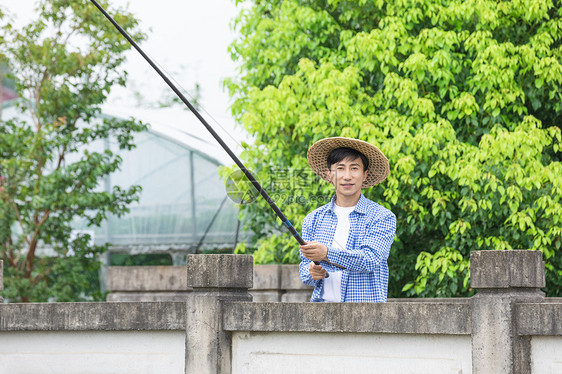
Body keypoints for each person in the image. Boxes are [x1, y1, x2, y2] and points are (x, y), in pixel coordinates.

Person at [299, 137, 396, 302]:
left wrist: (327, 254)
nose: (347, 176)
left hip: (366, 314)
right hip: (321, 313)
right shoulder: (313, 219)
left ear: (365, 174)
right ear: (329, 174)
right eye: (340, 168)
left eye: (354, 168)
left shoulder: (382, 216)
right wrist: (311, 271)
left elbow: (369, 259)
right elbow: (303, 267)